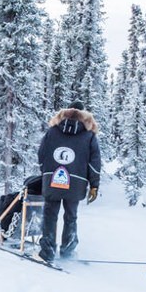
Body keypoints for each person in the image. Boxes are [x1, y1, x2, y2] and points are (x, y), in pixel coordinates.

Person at [37, 100, 102, 263]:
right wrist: (94, 185)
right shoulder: (89, 136)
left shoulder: (52, 131)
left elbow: (41, 154)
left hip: (53, 179)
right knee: (71, 216)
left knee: (50, 214)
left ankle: (47, 251)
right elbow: (94, 163)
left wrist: (45, 172)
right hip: (76, 183)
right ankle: (67, 251)